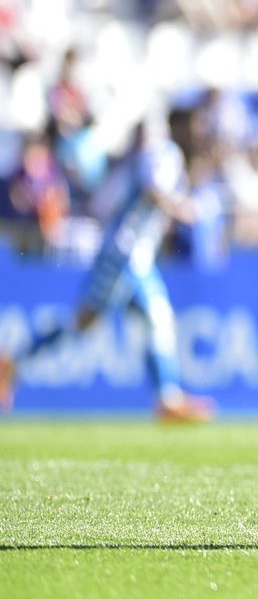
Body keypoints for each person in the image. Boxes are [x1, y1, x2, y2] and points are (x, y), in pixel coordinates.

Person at [0, 108, 217, 422]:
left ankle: (168, 397)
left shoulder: (161, 157)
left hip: (133, 253)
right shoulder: (163, 154)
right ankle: (12, 363)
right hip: (125, 253)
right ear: (178, 126)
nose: (199, 132)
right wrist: (183, 210)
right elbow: (152, 191)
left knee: (150, 319)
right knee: (94, 322)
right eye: (195, 125)